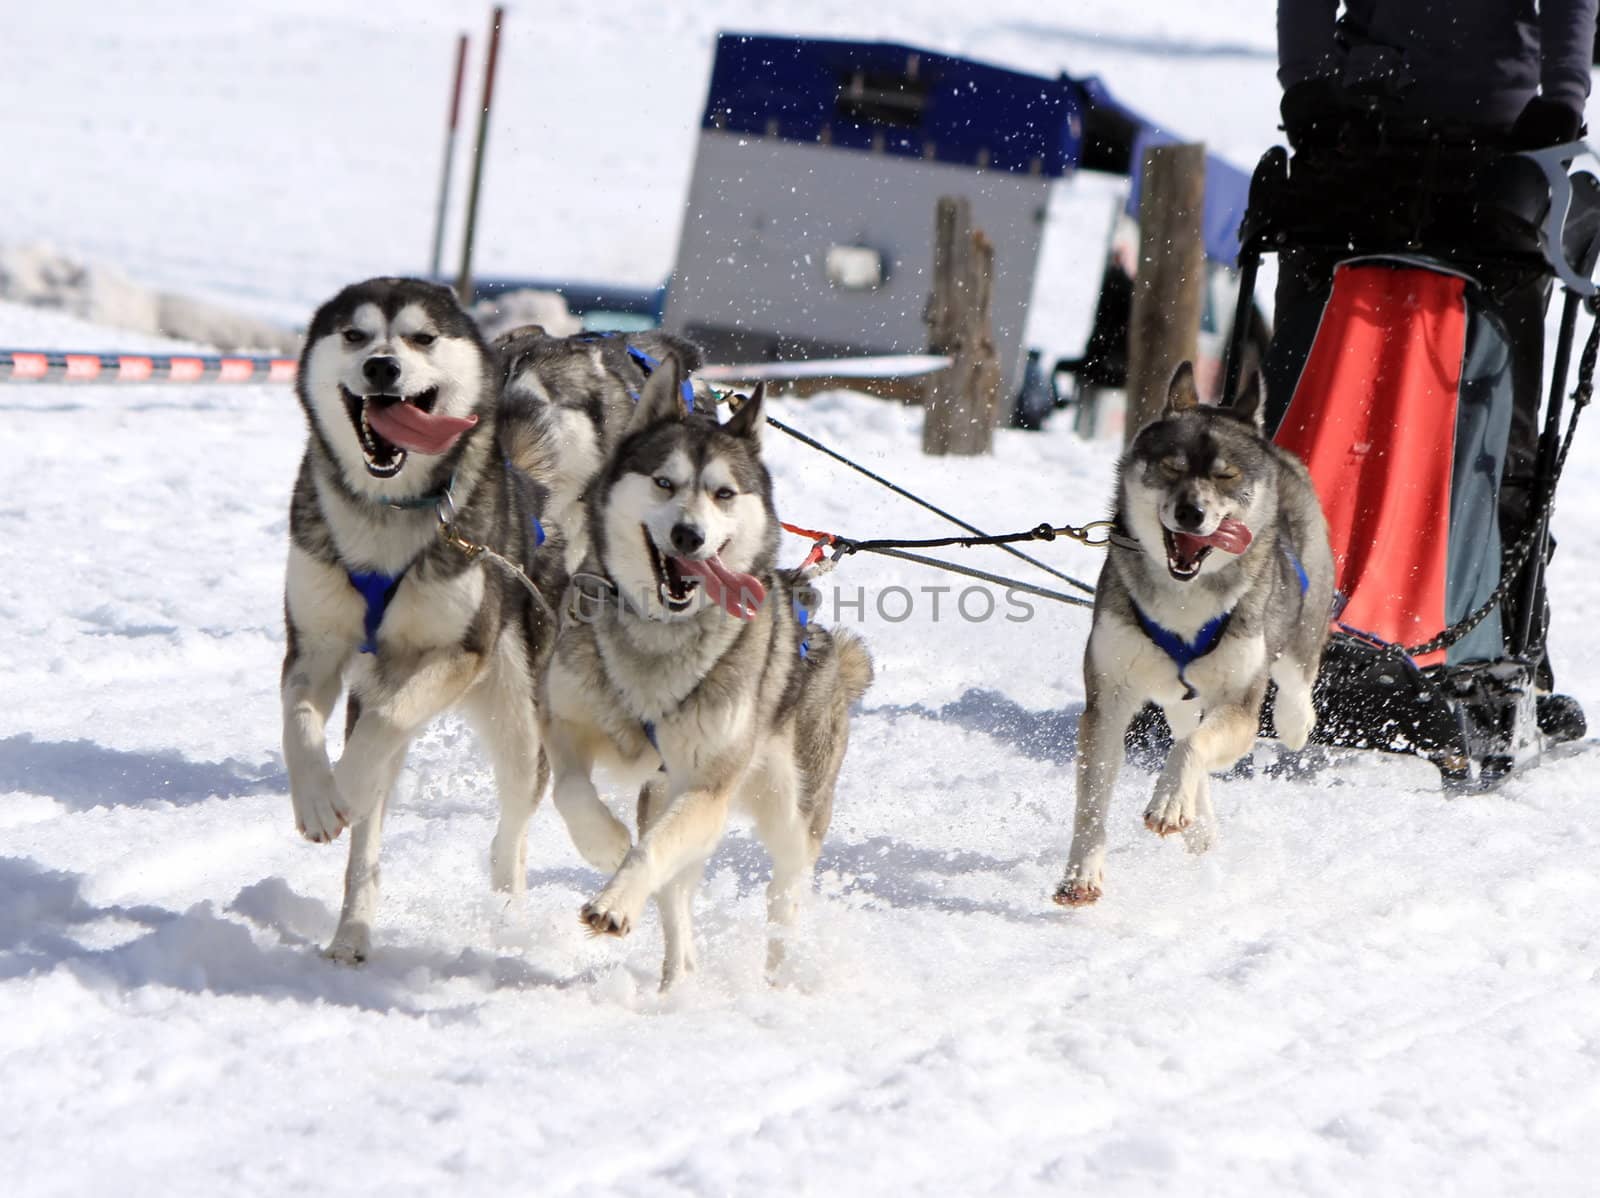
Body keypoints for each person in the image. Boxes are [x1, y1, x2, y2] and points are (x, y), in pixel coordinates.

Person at [1267, 0, 1597, 738]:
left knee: (1484, 422)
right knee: (1319, 392)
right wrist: (1309, 90)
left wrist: (1563, 98)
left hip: (1490, 143)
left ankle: (1488, 643)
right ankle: (1269, 619)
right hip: (1369, 135)